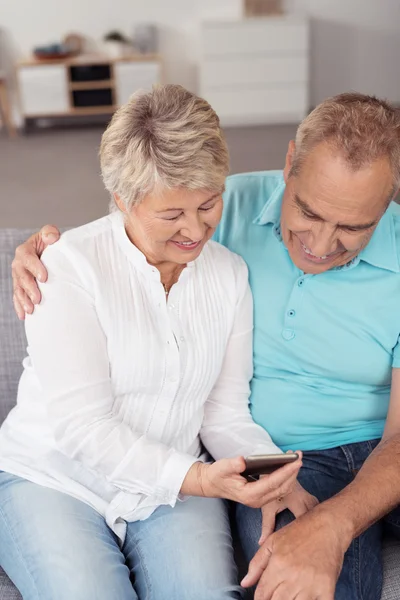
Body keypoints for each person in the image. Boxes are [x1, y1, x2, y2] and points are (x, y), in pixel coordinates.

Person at [12, 92, 400, 600]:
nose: (195, 229)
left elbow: (223, 410)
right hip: (68, 476)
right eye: (173, 213)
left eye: (207, 204)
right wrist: (39, 252)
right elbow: (86, 426)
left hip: (200, 478)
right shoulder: (80, 261)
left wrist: (281, 481)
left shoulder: (226, 268)